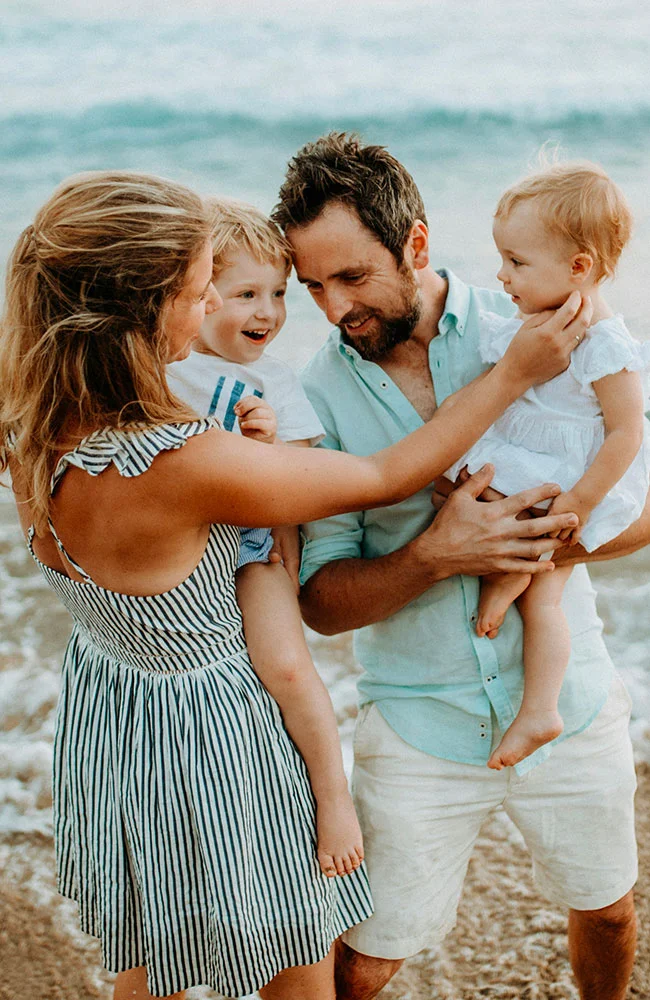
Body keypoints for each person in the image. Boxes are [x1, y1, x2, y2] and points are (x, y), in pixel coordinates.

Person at [0, 172, 582, 1000]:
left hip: (116, 709)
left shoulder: (28, 425)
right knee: (295, 952)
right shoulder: (183, 462)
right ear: (143, 307)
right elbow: (386, 473)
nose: (208, 311)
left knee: (150, 943)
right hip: (219, 729)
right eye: (200, 292)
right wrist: (513, 377)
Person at [272, 133, 644, 1000]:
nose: (334, 310)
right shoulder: (309, 396)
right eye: (313, 286)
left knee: (610, 912)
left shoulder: (546, 317)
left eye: (353, 278)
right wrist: (439, 555)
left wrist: (547, 539)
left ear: (418, 246)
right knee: (366, 963)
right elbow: (321, 602)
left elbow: (638, 489)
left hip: (569, 699)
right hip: (417, 723)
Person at [167, 197, 365, 879]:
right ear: (196, 294)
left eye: (279, 294)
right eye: (246, 293)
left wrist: (266, 443)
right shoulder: (161, 367)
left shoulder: (274, 381)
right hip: (176, 553)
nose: (269, 312)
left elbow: (304, 477)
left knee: (283, 665)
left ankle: (333, 797)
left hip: (252, 552)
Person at [444, 161, 650, 769]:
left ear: (578, 267)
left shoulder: (606, 340)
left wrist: (581, 501)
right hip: (534, 456)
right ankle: (513, 577)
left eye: (516, 262)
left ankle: (540, 710)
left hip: (576, 476)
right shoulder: (543, 314)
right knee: (464, 485)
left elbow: (626, 430)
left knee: (545, 599)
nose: (501, 275)